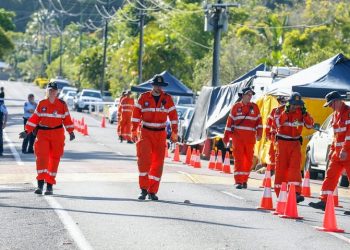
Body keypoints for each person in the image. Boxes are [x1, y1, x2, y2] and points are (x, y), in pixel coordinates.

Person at [19, 81, 75, 195]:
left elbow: (67, 119)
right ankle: (40, 185)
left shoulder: (62, 104)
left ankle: (49, 187)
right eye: (50, 90)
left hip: (57, 134)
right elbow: (35, 118)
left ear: (57, 92)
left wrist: (71, 131)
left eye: (54, 90)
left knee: (54, 160)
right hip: (43, 134)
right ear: (47, 91)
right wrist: (27, 131)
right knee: (41, 158)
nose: (52, 92)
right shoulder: (42, 104)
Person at [131, 74, 178, 200]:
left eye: (160, 86)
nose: (158, 87)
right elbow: (135, 115)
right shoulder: (143, 97)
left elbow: (173, 117)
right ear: (152, 85)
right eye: (156, 85)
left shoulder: (167, 99)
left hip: (161, 134)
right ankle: (143, 189)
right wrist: (134, 131)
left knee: (158, 163)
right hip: (146, 132)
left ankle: (152, 191)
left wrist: (174, 132)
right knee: (144, 161)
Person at [309, 91, 350, 211]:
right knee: (330, 176)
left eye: (331, 104)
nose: (330, 107)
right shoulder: (335, 115)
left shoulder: (348, 113)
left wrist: (345, 149)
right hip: (337, 153)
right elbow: (336, 136)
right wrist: (333, 150)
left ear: (338, 101)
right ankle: (324, 201)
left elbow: (349, 134)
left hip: (348, 152)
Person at [274, 92, 313, 203]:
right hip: (282, 143)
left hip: (295, 143)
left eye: (298, 104)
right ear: (289, 103)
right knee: (281, 169)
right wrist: (286, 113)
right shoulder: (280, 111)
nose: (296, 106)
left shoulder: (302, 112)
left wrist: (305, 115)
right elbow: (276, 123)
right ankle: (281, 193)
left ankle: (295, 193)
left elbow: (310, 126)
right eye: (294, 104)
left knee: (295, 169)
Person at [223, 86, 263, 189]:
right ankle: (238, 181)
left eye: (251, 95)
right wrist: (226, 138)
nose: (250, 97)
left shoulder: (255, 107)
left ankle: (244, 180)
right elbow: (229, 123)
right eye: (248, 94)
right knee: (239, 159)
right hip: (238, 138)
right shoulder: (236, 107)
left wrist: (259, 134)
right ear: (243, 95)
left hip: (250, 139)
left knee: (248, 160)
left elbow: (259, 122)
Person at [265, 96, 288, 174]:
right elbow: (268, 123)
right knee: (272, 152)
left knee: (281, 153)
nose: (283, 103)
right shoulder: (275, 111)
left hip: (284, 136)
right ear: (279, 102)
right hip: (274, 136)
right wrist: (267, 134)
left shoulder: (289, 111)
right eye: (282, 101)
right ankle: (272, 169)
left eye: (285, 102)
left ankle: (279, 170)